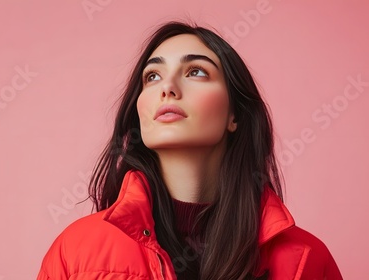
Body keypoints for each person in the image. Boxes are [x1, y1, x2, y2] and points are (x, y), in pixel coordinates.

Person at [36, 21, 343, 280]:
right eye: (152, 77)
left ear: (234, 115)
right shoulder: (75, 252)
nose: (167, 87)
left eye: (196, 71)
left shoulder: (306, 262)